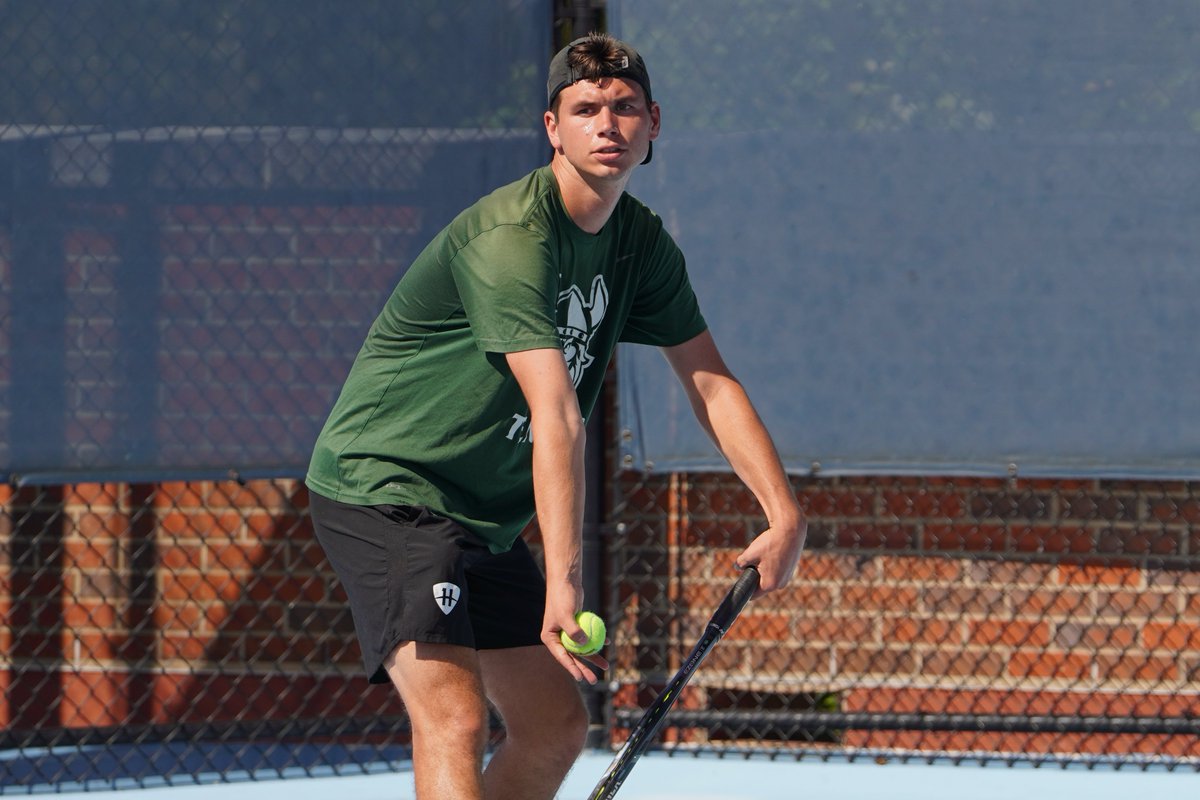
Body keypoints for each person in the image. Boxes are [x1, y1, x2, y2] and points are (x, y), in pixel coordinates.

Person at [305, 32, 806, 800]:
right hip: (390, 490)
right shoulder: (512, 238)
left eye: (625, 107)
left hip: (481, 516)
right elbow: (556, 414)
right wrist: (562, 588)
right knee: (455, 721)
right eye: (585, 109)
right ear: (552, 128)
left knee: (553, 728)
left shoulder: (639, 243)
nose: (608, 124)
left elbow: (709, 379)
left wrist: (783, 512)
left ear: (654, 123)